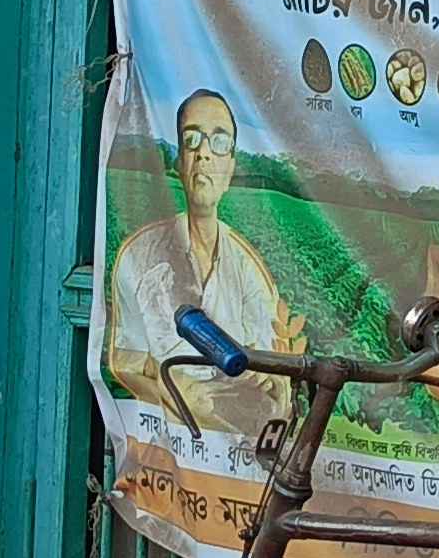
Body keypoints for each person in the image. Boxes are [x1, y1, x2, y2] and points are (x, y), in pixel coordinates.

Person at [103, 87, 300, 407]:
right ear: (179, 162)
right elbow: (123, 364)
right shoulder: (138, 255)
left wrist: (268, 380)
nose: (204, 154)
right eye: (192, 139)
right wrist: (172, 392)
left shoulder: (248, 268)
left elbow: (273, 375)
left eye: (219, 142)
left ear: (231, 169)